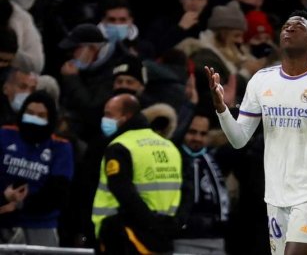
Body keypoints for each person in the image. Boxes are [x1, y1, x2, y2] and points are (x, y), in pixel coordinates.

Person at [205, 10, 307, 255]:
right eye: (286, 25)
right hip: (276, 194)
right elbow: (239, 140)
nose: (289, 28)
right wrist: (222, 110)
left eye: (299, 26)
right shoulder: (261, 80)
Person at [91, 94, 183, 254]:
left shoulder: (121, 146)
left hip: (124, 236)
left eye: (109, 115)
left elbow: (123, 192)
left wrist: (150, 224)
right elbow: (184, 191)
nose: (104, 120)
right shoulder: (170, 147)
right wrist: (169, 225)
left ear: (125, 117)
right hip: (162, 237)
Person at [0, 90, 74, 246]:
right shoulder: (5, 134)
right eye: (30, 112)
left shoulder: (61, 147)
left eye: (41, 115)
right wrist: (4, 198)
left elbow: (58, 192)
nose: (34, 118)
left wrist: (20, 204)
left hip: (40, 224)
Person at [174, 113, 230, 254]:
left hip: (216, 239)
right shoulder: (173, 157)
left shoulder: (212, 158)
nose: (197, 138)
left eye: (203, 134)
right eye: (192, 132)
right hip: (183, 239)